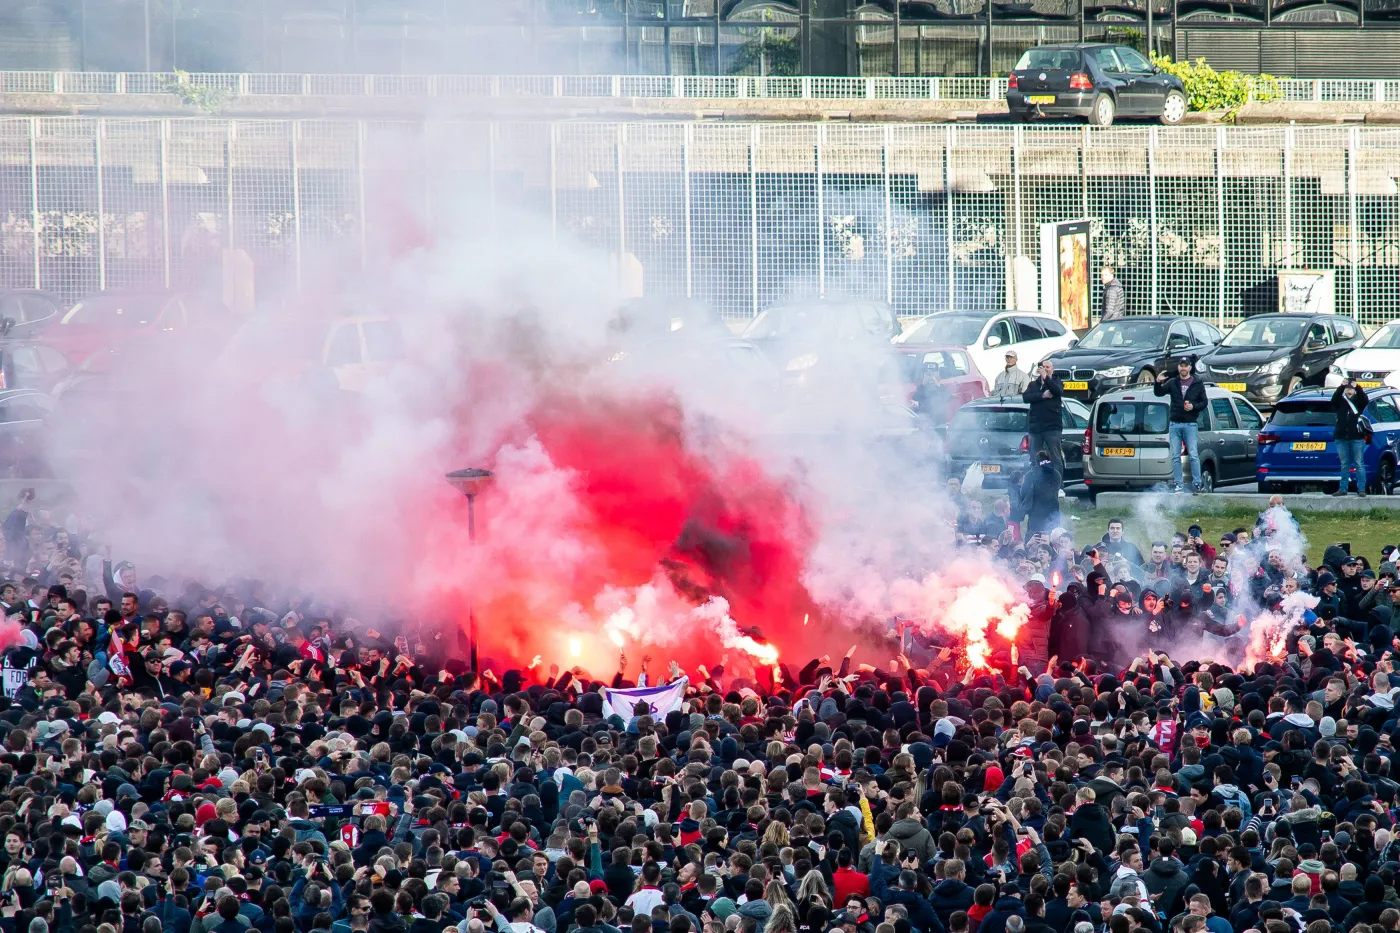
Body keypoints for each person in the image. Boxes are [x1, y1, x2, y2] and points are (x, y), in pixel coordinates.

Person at [1154, 357, 1207, 493]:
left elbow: (1204, 403)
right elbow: (1159, 393)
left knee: (1193, 455)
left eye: (1186, 366)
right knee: (1175, 456)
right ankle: (1179, 484)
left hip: (1190, 424)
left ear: (1190, 368)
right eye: (1181, 366)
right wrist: (1158, 382)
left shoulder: (1197, 382)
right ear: (1178, 368)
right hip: (1175, 424)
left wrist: (1193, 406)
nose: (1183, 368)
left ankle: (1197, 484)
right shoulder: (1173, 382)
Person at [1021, 360, 1064, 474]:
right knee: (1034, 458)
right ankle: (1036, 484)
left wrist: (1046, 378)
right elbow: (1026, 397)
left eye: (1047, 367)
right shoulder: (1033, 384)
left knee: (1055, 457)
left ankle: (1058, 485)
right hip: (1036, 427)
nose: (1045, 369)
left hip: (1052, 427)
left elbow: (1057, 391)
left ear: (1052, 369)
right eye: (1043, 367)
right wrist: (1042, 395)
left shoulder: (1056, 382)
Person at [1332, 377, 1370, 497]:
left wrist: (1357, 387)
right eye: (1347, 388)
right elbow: (1333, 400)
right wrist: (1341, 386)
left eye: (1350, 388)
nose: (1349, 390)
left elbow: (1365, 400)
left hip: (1356, 437)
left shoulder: (1358, 400)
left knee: (1359, 463)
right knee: (1344, 464)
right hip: (1341, 437)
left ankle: (1361, 489)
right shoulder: (1340, 401)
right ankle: (1343, 489)